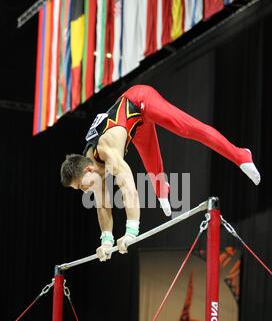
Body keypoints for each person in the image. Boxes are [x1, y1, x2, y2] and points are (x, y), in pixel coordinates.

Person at [60, 84, 260, 262]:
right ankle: (162, 190)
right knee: (153, 166)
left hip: (140, 100)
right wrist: (106, 241)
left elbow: (129, 188)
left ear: (88, 169)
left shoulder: (107, 150)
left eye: (81, 185)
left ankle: (241, 155)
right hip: (135, 127)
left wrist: (131, 231)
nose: (85, 191)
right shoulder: (91, 167)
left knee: (187, 128)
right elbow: (103, 205)